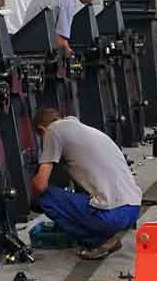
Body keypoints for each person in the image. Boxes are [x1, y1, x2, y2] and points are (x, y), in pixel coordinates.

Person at [31, 105, 140, 259]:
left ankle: (101, 241)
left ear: (42, 129)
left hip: (112, 217)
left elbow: (40, 185)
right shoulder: (87, 130)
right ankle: (103, 233)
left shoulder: (52, 131)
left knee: (45, 197)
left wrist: (31, 197)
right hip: (133, 209)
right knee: (80, 197)